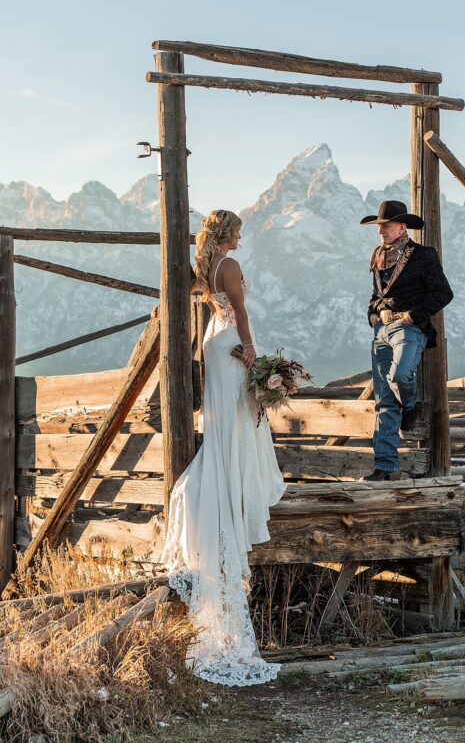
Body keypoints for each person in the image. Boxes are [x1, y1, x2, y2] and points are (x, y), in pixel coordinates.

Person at [161, 209, 285, 686]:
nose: (241, 236)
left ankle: (227, 471)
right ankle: (234, 480)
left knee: (226, 422)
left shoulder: (203, 268)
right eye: (238, 231)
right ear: (229, 233)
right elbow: (240, 309)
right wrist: (252, 347)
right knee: (238, 415)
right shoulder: (229, 268)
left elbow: (196, 293)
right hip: (230, 343)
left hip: (212, 345)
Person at [361, 199, 453, 481]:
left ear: (402, 227)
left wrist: (414, 315)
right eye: (379, 227)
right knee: (384, 402)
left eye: (385, 226)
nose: (381, 232)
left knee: (401, 376)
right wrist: (372, 314)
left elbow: (443, 293)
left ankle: (410, 407)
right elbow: (377, 295)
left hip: (409, 329)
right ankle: (386, 466)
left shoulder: (423, 255)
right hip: (382, 332)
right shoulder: (378, 255)